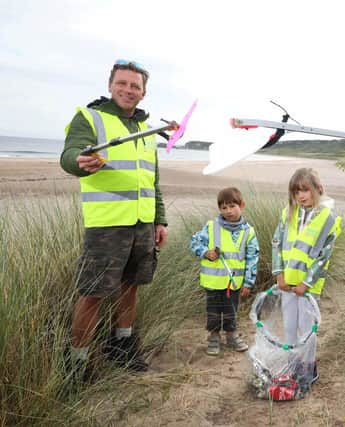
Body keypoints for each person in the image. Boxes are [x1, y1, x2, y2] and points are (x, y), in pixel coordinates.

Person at [60, 59, 169, 376]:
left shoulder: (149, 132)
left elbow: (152, 181)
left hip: (143, 225)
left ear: (143, 93)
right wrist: (81, 162)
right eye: (122, 83)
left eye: (135, 86)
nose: (128, 90)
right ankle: (77, 365)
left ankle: (121, 346)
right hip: (107, 225)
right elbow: (71, 155)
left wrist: (159, 220)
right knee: (92, 292)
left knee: (131, 286)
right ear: (110, 85)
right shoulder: (89, 117)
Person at [271, 168, 342, 383]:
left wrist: (306, 282)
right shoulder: (288, 213)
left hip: (308, 286)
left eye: (305, 190)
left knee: (306, 328)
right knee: (289, 326)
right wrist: (279, 274)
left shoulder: (327, 219)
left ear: (317, 189)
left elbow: (323, 256)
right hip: (287, 283)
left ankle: (309, 368)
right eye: (296, 192)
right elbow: (277, 243)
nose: (301, 196)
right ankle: (291, 363)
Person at [190, 187, 259, 356]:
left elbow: (252, 258)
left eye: (232, 206)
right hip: (212, 282)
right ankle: (214, 337)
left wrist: (248, 282)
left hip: (233, 283)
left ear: (242, 205)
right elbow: (194, 242)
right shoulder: (211, 226)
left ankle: (231, 336)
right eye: (224, 208)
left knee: (231, 311)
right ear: (219, 209)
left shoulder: (248, 232)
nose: (228, 211)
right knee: (213, 311)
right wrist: (206, 252)